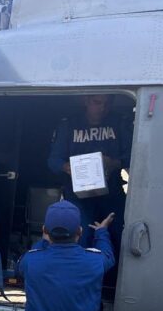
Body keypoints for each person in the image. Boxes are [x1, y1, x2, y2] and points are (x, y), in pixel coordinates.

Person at [47, 94, 131, 252]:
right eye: (97, 102)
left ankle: (112, 276)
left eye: (107, 103)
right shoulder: (69, 124)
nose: (102, 108)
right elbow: (53, 161)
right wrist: (69, 167)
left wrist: (113, 163)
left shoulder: (120, 122)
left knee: (118, 237)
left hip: (111, 195)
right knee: (81, 238)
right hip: (78, 197)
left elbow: (133, 157)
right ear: (86, 101)